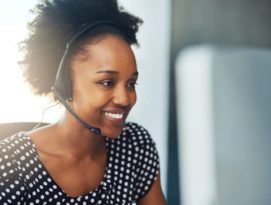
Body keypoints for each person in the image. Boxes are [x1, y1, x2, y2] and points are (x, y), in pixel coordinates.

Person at [0, 0, 167, 204]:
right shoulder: (11, 163)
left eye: (131, 83)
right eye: (107, 82)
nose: (125, 99)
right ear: (65, 85)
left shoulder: (135, 145)